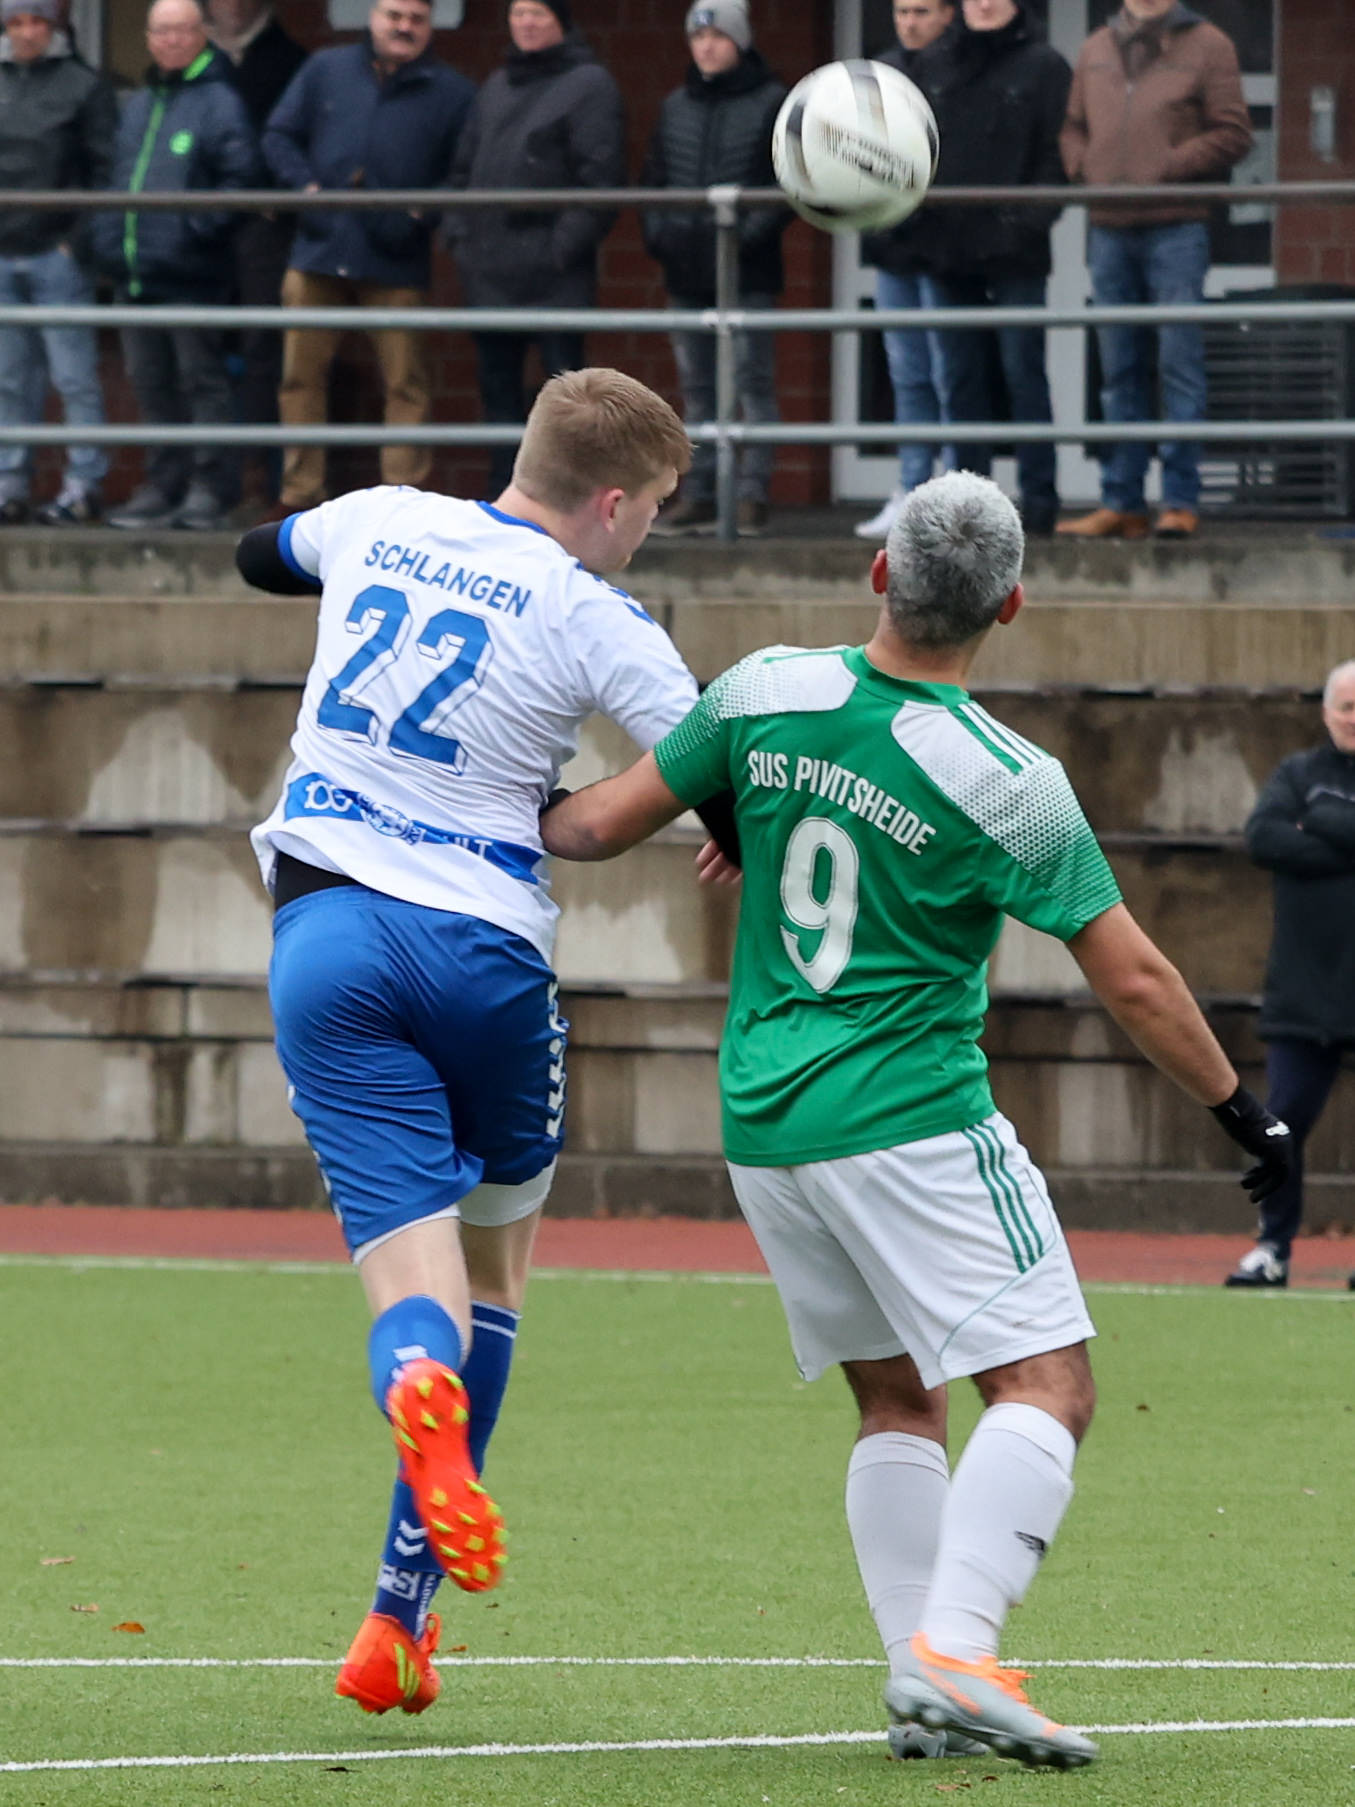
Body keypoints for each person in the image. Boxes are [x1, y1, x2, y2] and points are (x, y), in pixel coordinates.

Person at [538, 469, 1292, 1767]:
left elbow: (595, 824)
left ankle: (916, 1680)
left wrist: (463, 801)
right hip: (908, 1115)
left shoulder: (761, 689)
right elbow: (1132, 978)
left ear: (878, 571)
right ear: (1010, 604)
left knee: (895, 1396)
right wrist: (1242, 1112)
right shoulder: (1009, 778)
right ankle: (955, 1644)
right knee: (1046, 1382)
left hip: (766, 1121)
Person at [233, 368, 737, 1717]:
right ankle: (396, 1618)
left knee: (410, 1283)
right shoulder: (593, 609)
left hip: (323, 934)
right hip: (484, 954)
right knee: (498, 1262)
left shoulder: (378, 515)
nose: (648, 532)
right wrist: (695, 826)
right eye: (656, 508)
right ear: (612, 503)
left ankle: (415, 1384)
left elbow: (256, 554)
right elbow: (711, 753)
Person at [261, 0, 473, 514]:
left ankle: (402, 505)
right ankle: (300, 495)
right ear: (372, 16)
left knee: (407, 384)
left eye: (416, 19)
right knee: (299, 379)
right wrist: (305, 190)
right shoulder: (325, 69)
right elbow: (278, 136)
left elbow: (463, 172)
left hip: (397, 255)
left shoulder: (454, 92)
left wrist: (420, 214)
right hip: (319, 247)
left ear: (431, 25)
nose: (403, 27)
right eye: (393, 15)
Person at [1058, 0, 1251, 542]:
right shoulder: (1096, 47)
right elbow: (1072, 127)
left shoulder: (1209, 44)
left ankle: (1180, 501)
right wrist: (1085, 166)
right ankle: (1122, 502)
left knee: (1178, 363)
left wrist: (1166, 165)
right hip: (1110, 228)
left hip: (1177, 227)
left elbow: (1234, 132)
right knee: (1118, 368)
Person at [446, 1, 625, 497]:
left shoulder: (590, 84)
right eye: (518, 12)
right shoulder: (496, 85)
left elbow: (601, 182)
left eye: (538, 13)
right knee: (497, 397)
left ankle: (564, 502)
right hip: (487, 269)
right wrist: (461, 237)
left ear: (561, 22)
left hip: (554, 277)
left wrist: (559, 250)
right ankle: (503, 501)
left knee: (566, 405)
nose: (526, 22)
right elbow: (462, 170)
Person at [95, 0, 259, 531]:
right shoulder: (139, 104)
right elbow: (114, 180)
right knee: (151, 386)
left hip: (192, 276)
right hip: (134, 273)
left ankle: (209, 489)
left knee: (201, 384)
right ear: (148, 39)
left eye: (181, 31)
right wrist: (107, 240)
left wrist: (189, 234)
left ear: (201, 35)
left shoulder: (221, 103)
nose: (170, 41)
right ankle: (162, 486)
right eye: (161, 31)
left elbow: (241, 185)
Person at [912, 0, 1069, 536]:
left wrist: (1020, 224)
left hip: (1015, 251)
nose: (983, 3)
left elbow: (1057, 160)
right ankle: (969, 515)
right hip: (946, 249)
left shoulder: (1045, 66)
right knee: (959, 382)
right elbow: (908, 150)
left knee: (1024, 376)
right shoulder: (932, 62)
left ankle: (1040, 503)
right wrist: (918, 223)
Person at [1225, 660, 1355, 1289]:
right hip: (1303, 992)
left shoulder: (1311, 798)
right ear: (1327, 711)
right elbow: (1264, 838)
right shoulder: (1298, 774)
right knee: (1279, 1126)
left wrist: (1322, 822)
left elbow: (1301, 833)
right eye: (1346, 706)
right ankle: (1272, 1248)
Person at [641, 0, 787, 538]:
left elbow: (785, 186)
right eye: (698, 36)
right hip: (685, 270)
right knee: (697, 389)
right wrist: (661, 237)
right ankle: (700, 493)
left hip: (748, 270)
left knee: (752, 383)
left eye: (718, 36)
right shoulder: (675, 105)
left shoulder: (773, 102)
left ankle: (751, 495)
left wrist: (740, 240)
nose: (706, 45)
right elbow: (653, 181)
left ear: (740, 42)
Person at [0, 0, 117, 526]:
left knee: (74, 379)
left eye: (36, 21)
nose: (27, 32)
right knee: (8, 379)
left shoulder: (83, 85)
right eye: (16, 22)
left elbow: (106, 170)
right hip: (3, 252)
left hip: (58, 253)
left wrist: (78, 241)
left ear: (53, 26)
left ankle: (83, 485)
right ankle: (9, 484)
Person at [854, 0, 954, 544]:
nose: (910, 22)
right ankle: (912, 489)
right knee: (908, 374)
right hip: (893, 243)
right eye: (901, 11)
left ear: (947, 14)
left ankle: (955, 494)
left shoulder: (961, 67)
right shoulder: (879, 77)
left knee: (949, 374)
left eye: (921, 11)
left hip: (945, 248)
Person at [205, 0, 307, 510]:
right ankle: (203, 484)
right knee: (199, 355)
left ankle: (260, 484)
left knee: (265, 353)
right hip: (201, 232)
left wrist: (276, 198)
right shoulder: (191, 58)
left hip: (266, 229)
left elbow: (294, 140)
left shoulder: (292, 61)